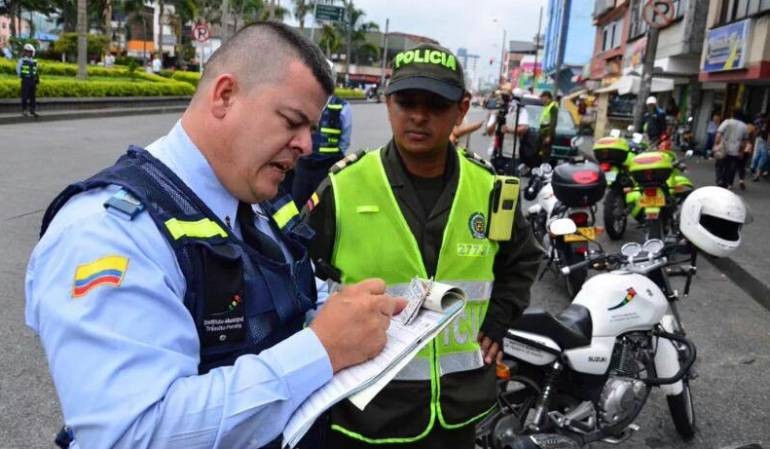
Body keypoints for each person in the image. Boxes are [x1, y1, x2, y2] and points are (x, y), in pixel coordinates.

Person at [25, 22, 405, 449]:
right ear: (225, 96)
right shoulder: (105, 232)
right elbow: (132, 433)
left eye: (311, 128)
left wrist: (347, 311)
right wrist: (323, 349)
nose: (307, 145)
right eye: (293, 122)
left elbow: (288, 292)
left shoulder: (256, 197)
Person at [303, 43, 542, 449]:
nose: (418, 115)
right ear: (388, 103)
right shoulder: (343, 187)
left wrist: (498, 320)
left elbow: (522, 260)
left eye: (435, 104)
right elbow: (298, 279)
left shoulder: (490, 189)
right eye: (406, 102)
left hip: (458, 409)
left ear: (462, 109)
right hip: (366, 412)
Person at [288, 60, 352, 206]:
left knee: (314, 205)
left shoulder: (300, 103)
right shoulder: (343, 106)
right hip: (314, 165)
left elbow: (344, 141)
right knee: (308, 204)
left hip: (318, 165)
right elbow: (345, 140)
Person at [484, 87, 531, 173]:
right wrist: (496, 120)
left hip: (511, 154)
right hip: (495, 152)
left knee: (509, 182)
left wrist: (509, 130)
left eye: (507, 96)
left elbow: (524, 128)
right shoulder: (497, 110)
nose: (504, 99)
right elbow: (489, 131)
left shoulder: (520, 111)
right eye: (502, 96)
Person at [715, 107, 749, 189]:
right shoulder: (744, 126)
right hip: (735, 150)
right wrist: (741, 151)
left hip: (724, 148)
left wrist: (716, 144)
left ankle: (719, 179)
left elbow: (719, 134)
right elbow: (744, 141)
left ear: (732, 114)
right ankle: (727, 182)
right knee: (731, 167)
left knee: (719, 164)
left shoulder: (727, 122)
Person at [16, 43, 39, 117]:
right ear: (25, 52)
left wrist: (37, 79)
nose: (29, 53)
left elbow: (36, 71)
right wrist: (22, 76)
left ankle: (32, 110)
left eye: (30, 51)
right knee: (25, 96)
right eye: (27, 51)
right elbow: (18, 69)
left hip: (33, 80)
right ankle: (24, 110)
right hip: (26, 79)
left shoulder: (35, 61)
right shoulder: (22, 60)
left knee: (33, 96)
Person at [537, 90, 558, 163]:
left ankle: (545, 170)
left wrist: (549, 136)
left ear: (546, 97)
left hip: (547, 133)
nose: (541, 99)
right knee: (541, 153)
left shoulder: (553, 107)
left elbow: (553, 123)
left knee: (545, 154)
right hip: (543, 132)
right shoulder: (547, 106)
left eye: (542, 97)